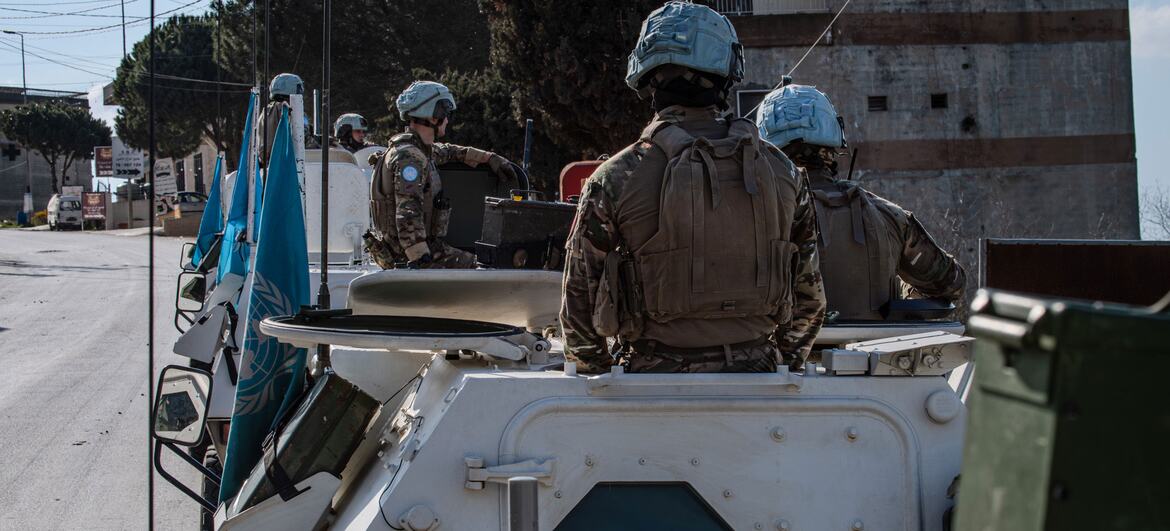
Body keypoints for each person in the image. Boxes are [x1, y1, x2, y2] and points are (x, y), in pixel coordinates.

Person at [559, 2, 826, 375]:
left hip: (651, 383)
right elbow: (810, 299)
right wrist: (779, 367)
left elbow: (578, 309)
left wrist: (606, 380)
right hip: (760, 380)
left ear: (648, 77)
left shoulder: (615, 177)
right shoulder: (784, 172)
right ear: (727, 73)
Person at [756, 83, 966, 320]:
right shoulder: (890, 217)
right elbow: (951, 283)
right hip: (873, 353)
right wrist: (896, 295)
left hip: (784, 355)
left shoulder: (750, 218)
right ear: (834, 143)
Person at [364, 80, 519, 269]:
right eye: (445, 114)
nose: (447, 119)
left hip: (418, 252)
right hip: (412, 258)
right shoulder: (409, 159)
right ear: (433, 115)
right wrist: (421, 260)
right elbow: (407, 214)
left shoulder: (417, 151)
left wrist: (489, 158)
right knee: (488, 269)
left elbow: (447, 151)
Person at [261, 73, 303, 169]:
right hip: (283, 164)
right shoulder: (286, 110)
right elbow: (301, 135)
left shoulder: (267, 111)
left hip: (270, 164)